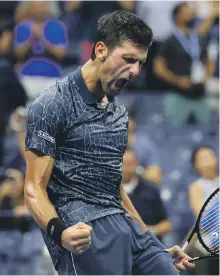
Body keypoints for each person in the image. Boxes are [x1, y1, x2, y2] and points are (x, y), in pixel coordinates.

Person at [24, 10, 194, 275]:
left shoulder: (119, 114)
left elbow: (114, 186)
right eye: (128, 59)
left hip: (126, 226)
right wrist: (60, 233)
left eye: (140, 63)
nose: (135, 71)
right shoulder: (52, 104)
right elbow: (34, 188)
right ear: (101, 50)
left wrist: (153, 243)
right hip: (84, 230)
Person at [153, 2, 214, 125]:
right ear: (177, 16)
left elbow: (208, 62)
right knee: (175, 130)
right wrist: (177, 80)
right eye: (186, 11)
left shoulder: (199, 38)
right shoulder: (169, 40)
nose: (190, 13)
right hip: (177, 95)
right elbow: (158, 68)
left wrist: (206, 78)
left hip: (200, 94)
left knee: (205, 130)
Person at [122, 147, 171, 241]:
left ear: (137, 164)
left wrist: (148, 231)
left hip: (148, 246)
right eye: (122, 164)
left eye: (129, 164)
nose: (125, 169)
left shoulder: (151, 190)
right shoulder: (107, 192)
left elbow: (166, 224)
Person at [188, 145, 219, 275]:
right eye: (202, 158)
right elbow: (203, 219)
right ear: (196, 165)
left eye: (209, 156)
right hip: (205, 248)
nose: (207, 161)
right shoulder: (196, 187)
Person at [128, 109, 162, 185]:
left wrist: (136, 171)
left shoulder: (144, 144)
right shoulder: (106, 145)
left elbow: (155, 177)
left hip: (139, 189)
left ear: (133, 122)